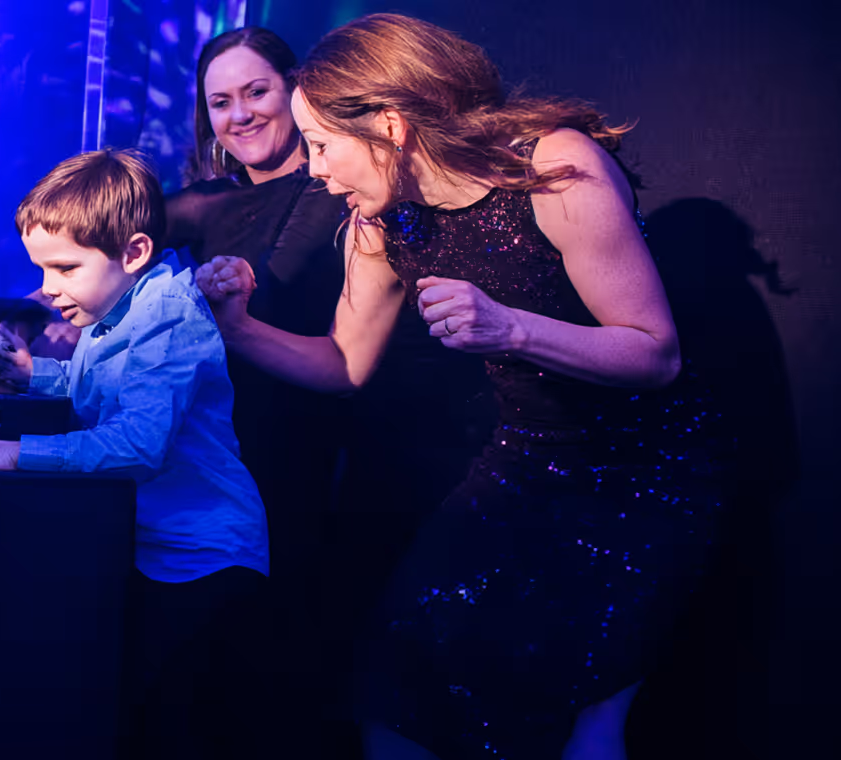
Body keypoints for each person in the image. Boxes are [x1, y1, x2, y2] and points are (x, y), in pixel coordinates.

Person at [197, 14, 723, 760]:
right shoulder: (384, 224)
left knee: (585, 723)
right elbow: (342, 366)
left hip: (648, 479)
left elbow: (655, 355)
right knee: (393, 686)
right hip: (527, 465)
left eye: (321, 145)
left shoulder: (555, 169)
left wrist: (511, 328)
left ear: (388, 126)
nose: (314, 169)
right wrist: (236, 327)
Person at [166, 27, 490, 751]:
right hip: (240, 447)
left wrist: (210, 309)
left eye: (256, 92)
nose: (241, 114)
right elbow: (120, 229)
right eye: (221, 101)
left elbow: (289, 315)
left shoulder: (345, 196)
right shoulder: (221, 201)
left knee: (317, 660)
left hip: (336, 452)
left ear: (299, 92)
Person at [0, 149, 270, 759]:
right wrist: (34, 373)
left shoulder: (167, 317)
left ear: (134, 252)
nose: (47, 289)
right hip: (156, 549)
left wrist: (17, 454)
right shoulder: (119, 308)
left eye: (65, 268)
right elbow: (96, 388)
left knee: (171, 727)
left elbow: (138, 444)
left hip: (204, 559)